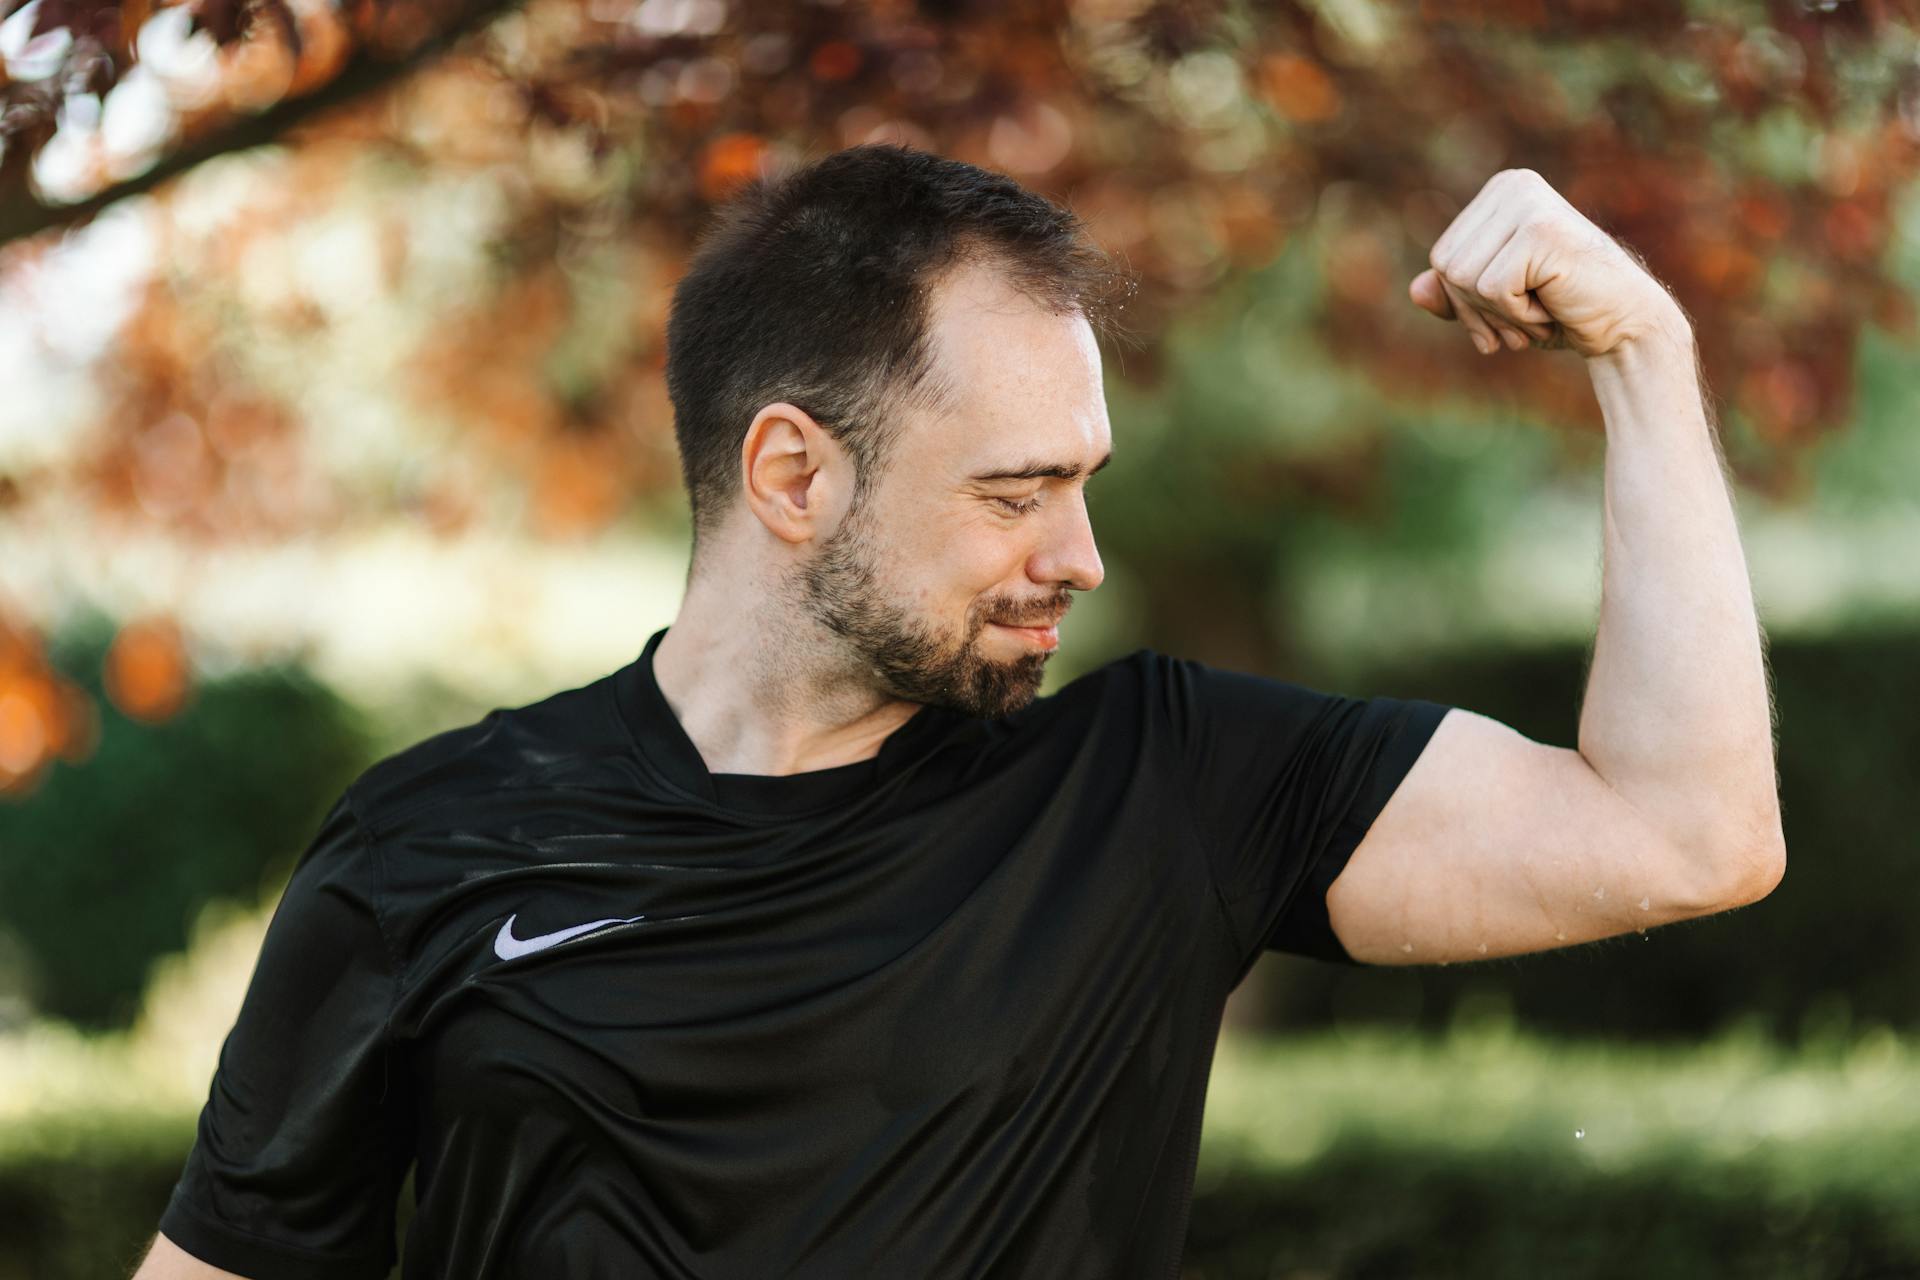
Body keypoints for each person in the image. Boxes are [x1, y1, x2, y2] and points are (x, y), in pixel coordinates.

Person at [134, 144, 1784, 1280]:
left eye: (1086, 482)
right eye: (1018, 492)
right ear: (793, 472)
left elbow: (1685, 832)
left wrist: (1647, 352)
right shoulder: (429, 843)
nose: (1079, 553)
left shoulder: (1164, 791)